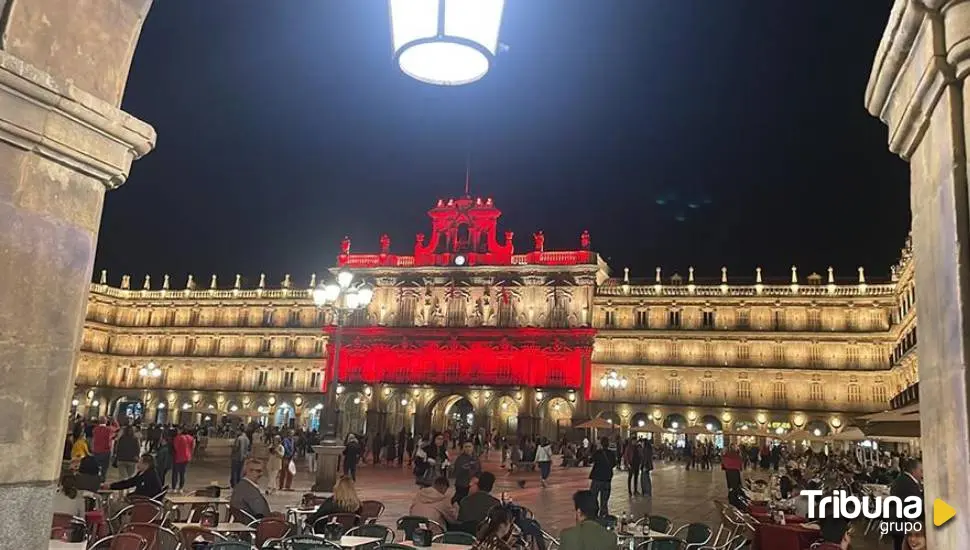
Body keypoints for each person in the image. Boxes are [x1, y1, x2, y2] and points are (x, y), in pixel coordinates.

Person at [890, 458, 924, 550]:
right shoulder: (909, 484)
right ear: (914, 471)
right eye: (921, 471)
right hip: (904, 524)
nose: (922, 474)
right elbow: (916, 506)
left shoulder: (900, 479)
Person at [588, 437, 615, 516]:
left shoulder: (598, 453)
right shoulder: (611, 454)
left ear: (601, 444)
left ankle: (593, 513)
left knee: (593, 497)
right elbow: (613, 464)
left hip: (597, 479)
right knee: (604, 500)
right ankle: (603, 515)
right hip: (607, 479)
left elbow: (590, 460)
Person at [172, 426, 195, 493]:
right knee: (183, 473)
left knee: (175, 473)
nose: (177, 431)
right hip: (187, 457)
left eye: (178, 430)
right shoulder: (191, 438)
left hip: (178, 457)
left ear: (181, 430)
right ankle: (181, 488)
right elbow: (193, 447)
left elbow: (175, 447)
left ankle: (174, 488)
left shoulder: (178, 437)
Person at [91, 417, 114, 482]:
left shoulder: (95, 429)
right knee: (105, 467)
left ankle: (95, 478)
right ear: (106, 421)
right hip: (106, 451)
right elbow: (117, 427)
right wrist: (113, 420)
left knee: (96, 466)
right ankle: (102, 479)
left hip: (96, 450)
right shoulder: (109, 429)